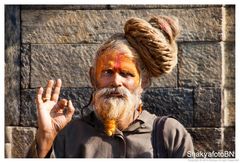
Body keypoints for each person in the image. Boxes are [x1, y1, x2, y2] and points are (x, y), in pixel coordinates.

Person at [27, 16, 194, 158]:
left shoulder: (169, 135)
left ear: (143, 82)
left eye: (126, 74)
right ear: (93, 77)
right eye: (107, 72)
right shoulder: (69, 136)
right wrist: (46, 138)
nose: (116, 81)